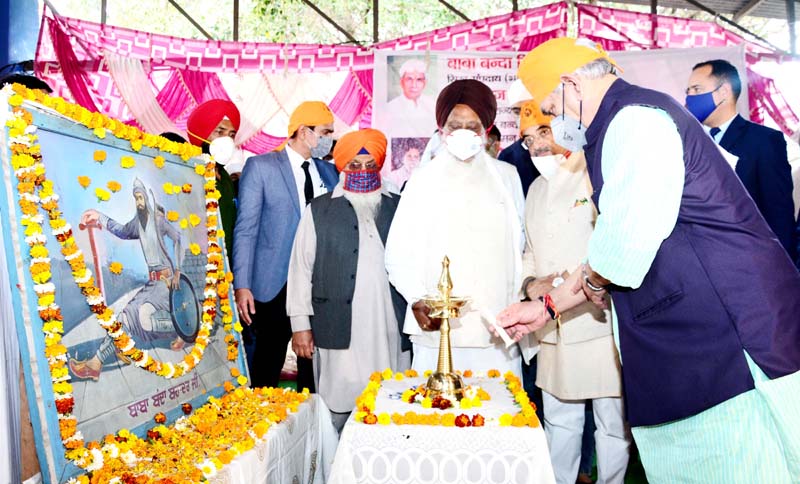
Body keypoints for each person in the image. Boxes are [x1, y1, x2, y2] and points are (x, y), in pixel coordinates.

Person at [497, 37, 800, 483]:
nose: (556, 122)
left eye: (552, 107)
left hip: (730, 341)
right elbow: (613, 250)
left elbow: (622, 251)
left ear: (570, 86)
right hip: (695, 340)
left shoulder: (634, 120)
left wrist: (595, 284)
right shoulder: (625, 120)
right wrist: (545, 308)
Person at [385, 79, 534, 374]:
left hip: (496, 329)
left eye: (473, 126)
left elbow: (520, 245)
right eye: (455, 125)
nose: (463, 133)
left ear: (486, 130)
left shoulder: (507, 177)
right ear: (442, 129)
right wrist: (415, 297)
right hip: (436, 327)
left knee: (501, 414)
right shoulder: (421, 180)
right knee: (435, 413)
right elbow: (398, 252)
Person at [518, 100, 630, 484]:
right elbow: (530, 252)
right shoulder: (533, 189)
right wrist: (532, 284)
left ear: (565, 127)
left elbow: (614, 239)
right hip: (551, 326)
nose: (537, 146)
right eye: (528, 139)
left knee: (611, 424)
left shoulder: (595, 172)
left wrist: (570, 279)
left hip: (598, 320)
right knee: (560, 423)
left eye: (544, 133)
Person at [287, 129, 411, 432]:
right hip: (338, 325)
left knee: (390, 403)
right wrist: (300, 325)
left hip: (388, 325)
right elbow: (300, 269)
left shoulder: (399, 206)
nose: (363, 172)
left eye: (370, 165)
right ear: (341, 167)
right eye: (354, 165)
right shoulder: (319, 209)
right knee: (337, 406)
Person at [233, 101, 339, 390]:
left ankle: (313, 428)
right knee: (267, 365)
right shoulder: (262, 166)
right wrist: (242, 284)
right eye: (325, 132)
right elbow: (246, 230)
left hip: (319, 284)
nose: (330, 139)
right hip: (273, 283)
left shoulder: (329, 173)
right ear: (304, 132)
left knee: (314, 367)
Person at [69, 179, 185, 381]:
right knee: (128, 317)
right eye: (136, 198)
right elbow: (122, 231)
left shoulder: (159, 221)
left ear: (146, 199)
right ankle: (98, 362)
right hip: (152, 282)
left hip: (166, 282)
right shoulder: (137, 223)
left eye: (141, 197)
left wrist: (178, 271)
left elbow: (178, 239)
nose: (139, 201)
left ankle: (181, 328)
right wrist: (100, 217)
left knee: (142, 322)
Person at [686, 59, 796, 260]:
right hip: (699, 263)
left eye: (696, 89)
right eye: (688, 91)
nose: (689, 97)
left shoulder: (764, 141)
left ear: (724, 91)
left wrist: (783, 270)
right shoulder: (687, 142)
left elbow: (779, 213)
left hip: (749, 262)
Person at [185, 99, 240, 264]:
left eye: (231, 135)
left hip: (227, 267)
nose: (227, 139)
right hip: (199, 265)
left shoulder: (226, 178)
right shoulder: (189, 172)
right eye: (220, 132)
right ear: (201, 132)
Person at [499, 79, 540, 196]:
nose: (523, 117)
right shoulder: (508, 157)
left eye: (528, 109)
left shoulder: (562, 148)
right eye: (517, 112)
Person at [384, 59, 437, 137]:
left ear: (425, 83)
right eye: (409, 79)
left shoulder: (433, 105)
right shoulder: (390, 107)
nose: (414, 85)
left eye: (419, 80)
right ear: (401, 82)